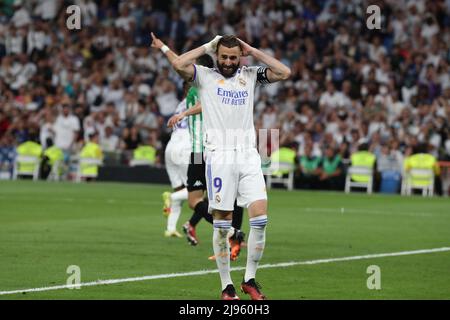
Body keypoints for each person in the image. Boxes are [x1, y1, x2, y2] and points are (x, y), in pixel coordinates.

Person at [171, 34, 291, 300]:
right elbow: (178, 63)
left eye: (233, 57)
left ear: (240, 57)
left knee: (260, 219)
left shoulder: (249, 75)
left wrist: (253, 51)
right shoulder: (204, 76)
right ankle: (226, 286)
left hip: (248, 154)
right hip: (220, 155)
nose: (227, 62)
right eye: (223, 56)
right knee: (222, 224)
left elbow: (284, 72)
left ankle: (250, 279)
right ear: (217, 55)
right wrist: (206, 47)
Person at [152, 33, 245, 261]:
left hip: (209, 150)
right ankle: (233, 234)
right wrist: (163, 46)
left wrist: (184, 113)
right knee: (198, 202)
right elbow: (177, 62)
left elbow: (205, 101)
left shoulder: (205, 84)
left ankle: (230, 239)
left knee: (223, 200)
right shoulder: (200, 88)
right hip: (198, 152)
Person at [161, 91, 191, 238]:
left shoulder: (180, 105)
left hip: (170, 147)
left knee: (180, 189)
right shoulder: (200, 100)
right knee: (196, 190)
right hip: (186, 148)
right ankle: (171, 197)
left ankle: (170, 228)